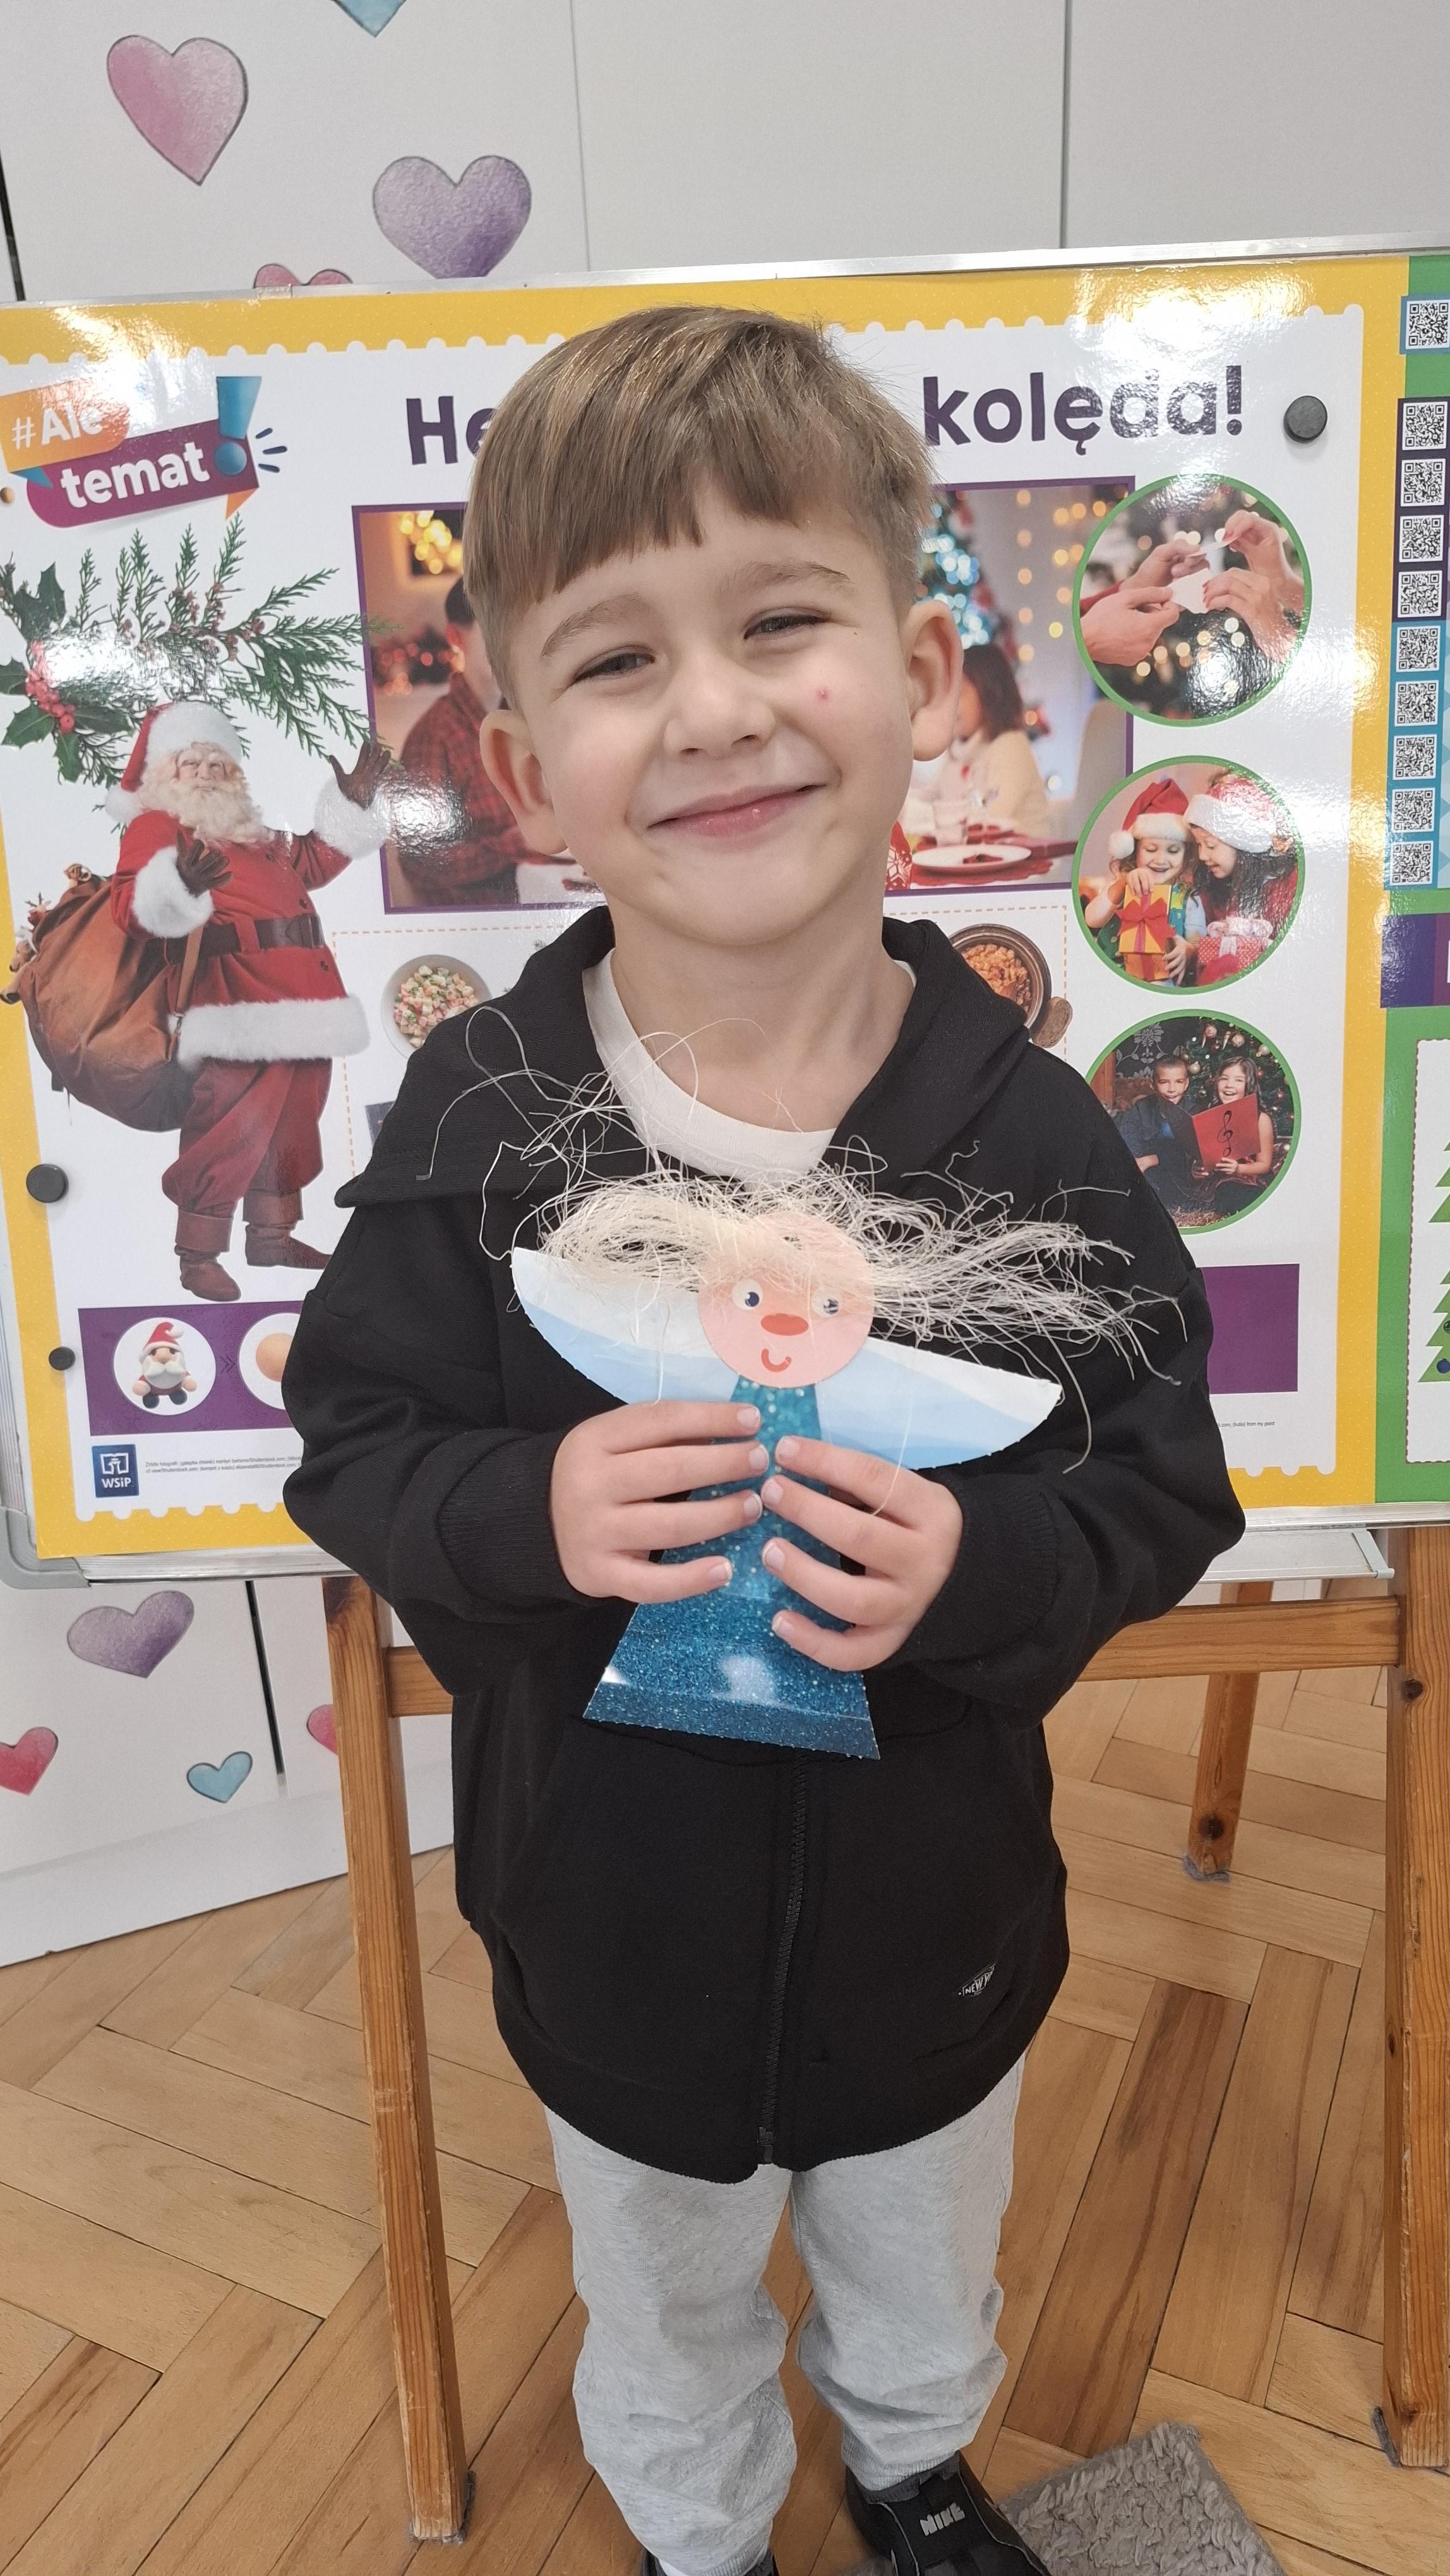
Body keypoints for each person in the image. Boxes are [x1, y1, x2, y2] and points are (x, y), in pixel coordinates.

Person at [280, 307, 1242, 2576]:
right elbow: (355, 1437)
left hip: (937, 1918)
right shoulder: (485, 1119)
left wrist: (982, 1567)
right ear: (526, 770)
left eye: (778, 621)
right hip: (607, 1921)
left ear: (918, 676)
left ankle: (910, 2463)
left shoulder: (1024, 1130)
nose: (711, 706)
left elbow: (1161, 1471)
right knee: (661, 2288)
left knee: (922, 2251)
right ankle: (697, 2527)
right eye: (617, 658)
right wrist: (528, 1506)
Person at [108, 702, 390, 1300]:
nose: (207, 773)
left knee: (295, 1120)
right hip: (233, 1001)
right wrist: (180, 884)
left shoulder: (252, 834)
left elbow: (312, 860)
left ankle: (272, 1235)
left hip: (308, 998)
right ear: (165, 774)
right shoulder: (157, 826)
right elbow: (130, 909)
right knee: (228, 1126)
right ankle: (197, 1252)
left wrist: (352, 805)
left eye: (218, 763)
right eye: (191, 763)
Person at [393, 577, 533, 905]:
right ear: (456, 638)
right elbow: (423, 860)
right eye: (493, 631)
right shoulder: (435, 736)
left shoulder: (526, 718)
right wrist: (511, 846)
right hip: (482, 916)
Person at [1081, 777, 1203, 983]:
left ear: (1186, 854)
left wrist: (1188, 950)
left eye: (1173, 851)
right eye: (1151, 850)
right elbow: (1091, 919)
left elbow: (1198, 943)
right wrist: (1122, 883)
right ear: (1135, 849)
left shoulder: (1189, 898)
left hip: (1165, 982)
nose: (1161, 860)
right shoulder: (1122, 883)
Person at [927, 642, 1051, 838]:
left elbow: (990, 818)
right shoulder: (959, 753)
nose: (952, 703)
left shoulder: (1011, 746)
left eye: (961, 693)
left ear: (989, 694)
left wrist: (933, 816)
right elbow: (932, 799)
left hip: (1025, 855)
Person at [1184, 772, 1297, 986]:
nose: (1202, 855)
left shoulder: (1290, 886)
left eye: (1211, 846)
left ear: (1244, 844)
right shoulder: (1210, 889)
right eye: (1199, 845)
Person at [1113, 1053, 1205, 1219]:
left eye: (1179, 1082)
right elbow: (1128, 1135)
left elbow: (1191, 1153)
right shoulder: (1143, 1107)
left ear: (1186, 1084)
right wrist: (1137, 1161)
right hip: (1148, 1170)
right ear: (1153, 1084)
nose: (1172, 1089)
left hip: (1180, 1174)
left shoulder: (1194, 1111)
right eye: (1164, 1082)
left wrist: (1153, 1159)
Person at [1193, 1054, 1277, 1214]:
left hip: (1245, 1178)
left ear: (1249, 1086)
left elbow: (1264, 1165)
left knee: (1234, 1192)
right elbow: (1201, 1157)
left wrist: (1238, 1169)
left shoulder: (1260, 1119)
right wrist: (1196, 1170)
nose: (1229, 1085)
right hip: (1214, 1181)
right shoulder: (1209, 1116)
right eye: (1224, 1079)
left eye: (1239, 1080)